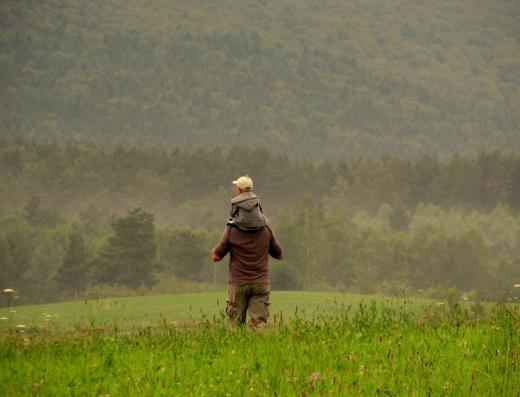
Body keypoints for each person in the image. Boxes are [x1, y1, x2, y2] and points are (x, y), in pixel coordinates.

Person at [211, 175, 283, 329]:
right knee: (259, 324)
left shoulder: (231, 229)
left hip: (238, 283)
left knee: (235, 324)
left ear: (238, 190)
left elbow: (216, 256)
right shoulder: (266, 229)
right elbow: (279, 254)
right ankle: (263, 352)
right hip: (260, 282)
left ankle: (236, 352)